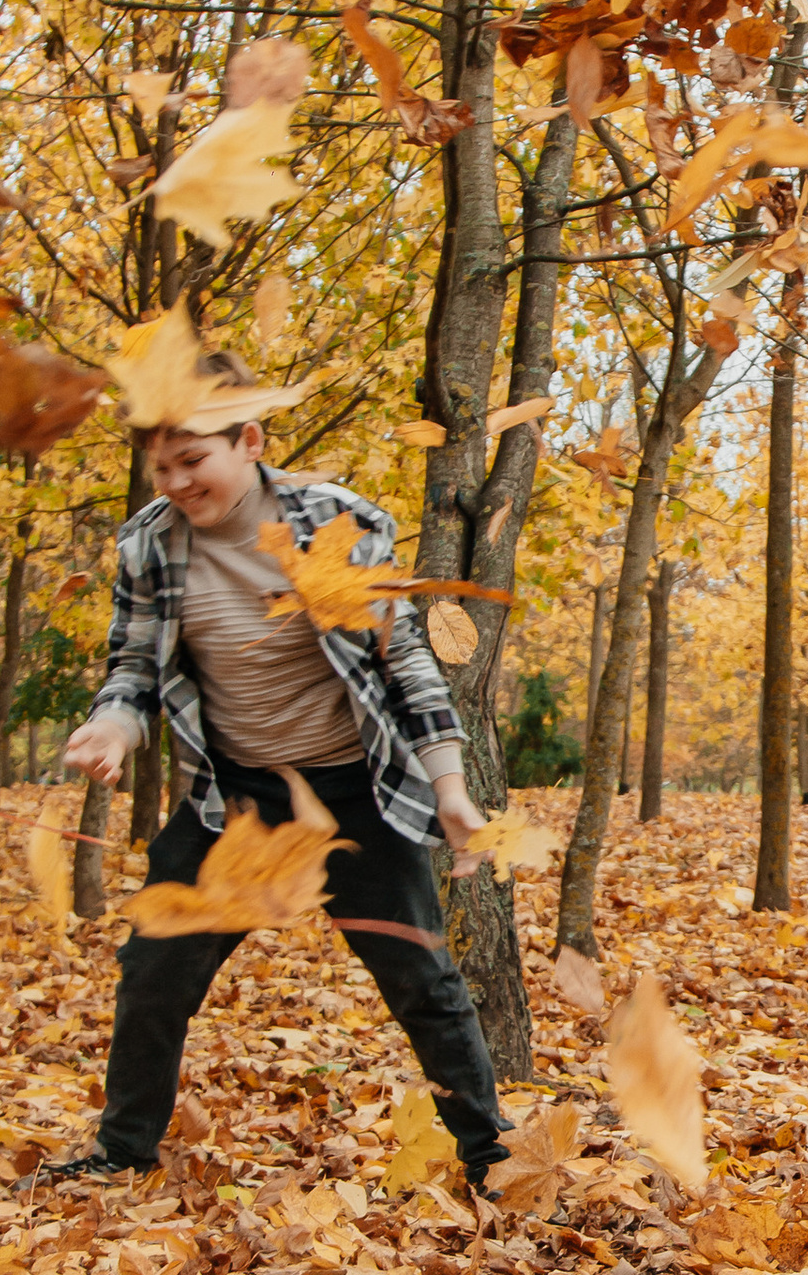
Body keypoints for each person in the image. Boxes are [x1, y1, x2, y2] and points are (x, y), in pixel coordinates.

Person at [47, 362, 505, 1192]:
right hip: (237, 801)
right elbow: (134, 669)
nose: (178, 482)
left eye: (194, 460)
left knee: (422, 981)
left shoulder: (335, 523)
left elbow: (403, 660)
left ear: (250, 441)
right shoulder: (150, 543)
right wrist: (112, 727)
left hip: (353, 795)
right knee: (154, 973)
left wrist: (448, 786)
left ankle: (494, 1158)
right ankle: (121, 1153)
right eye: (162, 466)